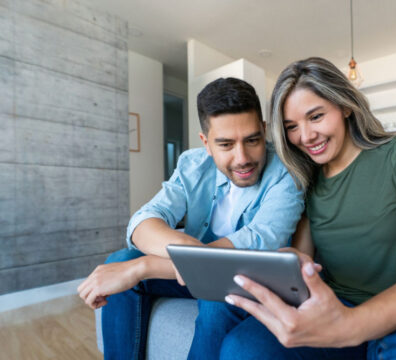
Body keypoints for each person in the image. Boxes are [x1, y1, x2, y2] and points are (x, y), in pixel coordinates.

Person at [206, 57, 396, 359]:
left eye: (316, 116)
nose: (306, 136)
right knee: (242, 347)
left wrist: (353, 324)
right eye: (292, 127)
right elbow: (302, 257)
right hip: (339, 308)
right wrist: (285, 261)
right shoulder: (307, 180)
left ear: (345, 105)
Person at [77, 77, 304, 360]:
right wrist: (189, 254)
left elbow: (259, 246)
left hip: (246, 281)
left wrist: (145, 266)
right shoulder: (192, 164)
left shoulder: (286, 173)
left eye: (252, 140)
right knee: (119, 261)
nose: (242, 157)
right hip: (190, 273)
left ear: (264, 130)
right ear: (205, 143)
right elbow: (145, 220)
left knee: (217, 299)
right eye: (225, 144)